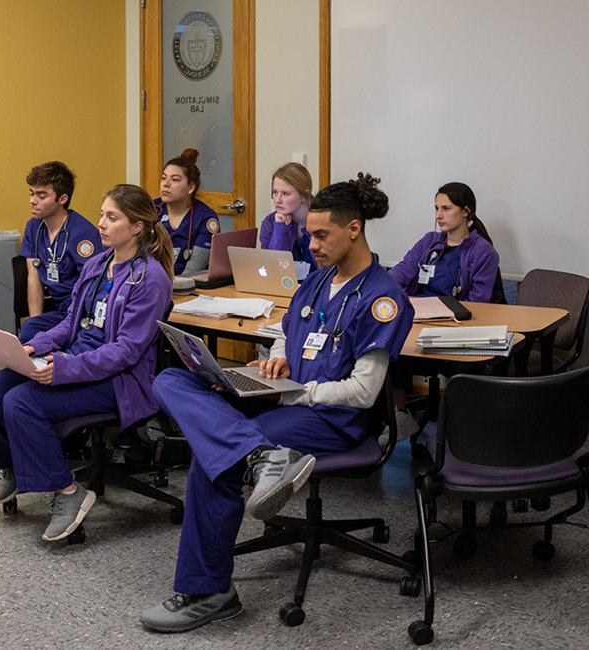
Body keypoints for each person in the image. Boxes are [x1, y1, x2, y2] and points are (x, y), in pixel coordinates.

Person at [140, 173, 412, 633]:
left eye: (322, 235)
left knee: (214, 460)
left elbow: (365, 391)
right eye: (311, 234)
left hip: (332, 419)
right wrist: (277, 362)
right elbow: (283, 332)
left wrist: (298, 392)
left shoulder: (384, 299)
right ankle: (261, 457)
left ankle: (211, 592)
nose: (313, 243)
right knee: (170, 378)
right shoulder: (317, 281)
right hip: (282, 400)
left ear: (354, 229)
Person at [0, 184, 173, 541]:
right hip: (77, 360)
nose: (100, 223)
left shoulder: (150, 279)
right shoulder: (99, 264)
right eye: (101, 214)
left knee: (21, 402)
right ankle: (16, 468)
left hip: (119, 380)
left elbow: (126, 352)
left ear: (136, 227)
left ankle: (69, 492)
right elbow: (70, 323)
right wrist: (35, 348)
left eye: (111, 218)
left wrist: (65, 368)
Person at [16, 161, 104, 342]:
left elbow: (93, 289)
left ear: (62, 199)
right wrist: (36, 320)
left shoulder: (83, 234)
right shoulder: (34, 226)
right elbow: (33, 275)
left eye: (41, 195)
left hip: (82, 311)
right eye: (32, 194)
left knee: (36, 334)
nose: (32, 201)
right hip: (58, 310)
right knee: (30, 329)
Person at [387, 181, 501, 303]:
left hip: (457, 315)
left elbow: (478, 301)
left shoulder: (483, 251)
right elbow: (404, 270)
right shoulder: (429, 241)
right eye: (437, 208)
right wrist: (382, 284)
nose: (438, 215)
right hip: (418, 311)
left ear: (465, 211)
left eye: (446, 209)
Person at [156, 148, 222, 277]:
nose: (166, 184)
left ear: (191, 187)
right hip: (150, 281)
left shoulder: (206, 218)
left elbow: (193, 269)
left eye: (175, 180)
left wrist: (167, 287)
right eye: (164, 178)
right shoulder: (151, 209)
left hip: (186, 285)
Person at [257, 162, 317, 274]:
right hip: (283, 287)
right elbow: (271, 269)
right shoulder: (270, 223)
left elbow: (326, 267)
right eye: (275, 192)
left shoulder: (322, 221)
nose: (277, 200)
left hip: (319, 287)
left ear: (304, 195)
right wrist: (280, 229)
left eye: (285, 193)